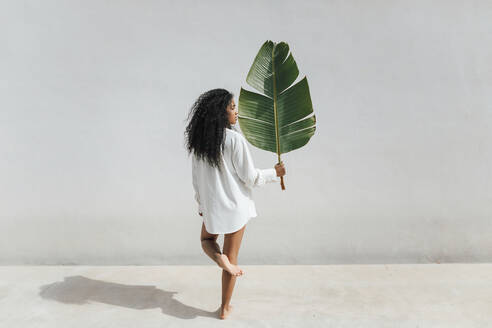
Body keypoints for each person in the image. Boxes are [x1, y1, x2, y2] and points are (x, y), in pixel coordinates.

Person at [184, 88, 286, 319]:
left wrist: (201, 205)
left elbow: (196, 180)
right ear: (221, 113)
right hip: (236, 207)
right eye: (232, 107)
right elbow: (250, 177)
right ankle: (224, 308)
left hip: (213, 206)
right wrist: (275, 172)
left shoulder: (200, 144)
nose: (236, 112)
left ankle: (220, 260)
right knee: (233, 259)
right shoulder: (234, 140)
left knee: (206, 240)